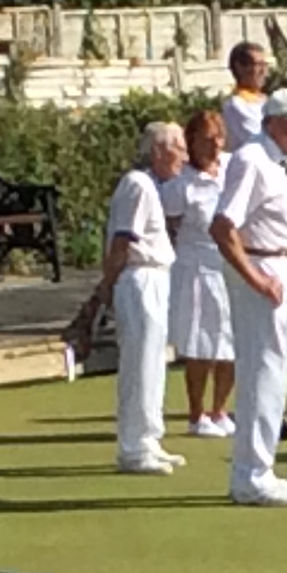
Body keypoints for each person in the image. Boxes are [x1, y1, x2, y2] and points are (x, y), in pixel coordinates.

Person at [212, 87, 287, 507]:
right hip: (266, 271)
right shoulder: (252, 161)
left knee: (274, 372)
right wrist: (257, 279)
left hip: (283, 269)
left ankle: (258, 470)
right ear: (275, 122)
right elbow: (223, 227)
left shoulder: (276, 162)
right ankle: (252, 475)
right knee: (263, 373)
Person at [102, 121, 185, 476]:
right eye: (178, 147)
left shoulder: (151, 186)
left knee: (153, 362)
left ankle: (149, 440)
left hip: (155, 277)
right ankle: (133, 447)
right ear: (158, 151)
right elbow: (123, 240)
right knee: (140, 363)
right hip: (139, 279)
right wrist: (106, 287)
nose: (183, 154)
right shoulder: (137, 185)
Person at [165, 107, 236, 439]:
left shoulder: (233, 170)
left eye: (219, 137)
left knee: (232, 343)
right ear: (191, 141)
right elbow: (167, 227)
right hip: (196, 267)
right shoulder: (180, 185)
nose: (215, 145)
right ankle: (197, 414)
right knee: (202, 344)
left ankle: (220, 410)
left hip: (231, 266)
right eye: (207, 139)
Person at [221, 41, 272, 151]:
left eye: (264, 64)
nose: (263, 71)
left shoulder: (266, 100)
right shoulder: (236, 105)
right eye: (258, 65)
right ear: (239, 68)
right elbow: (261, 139)